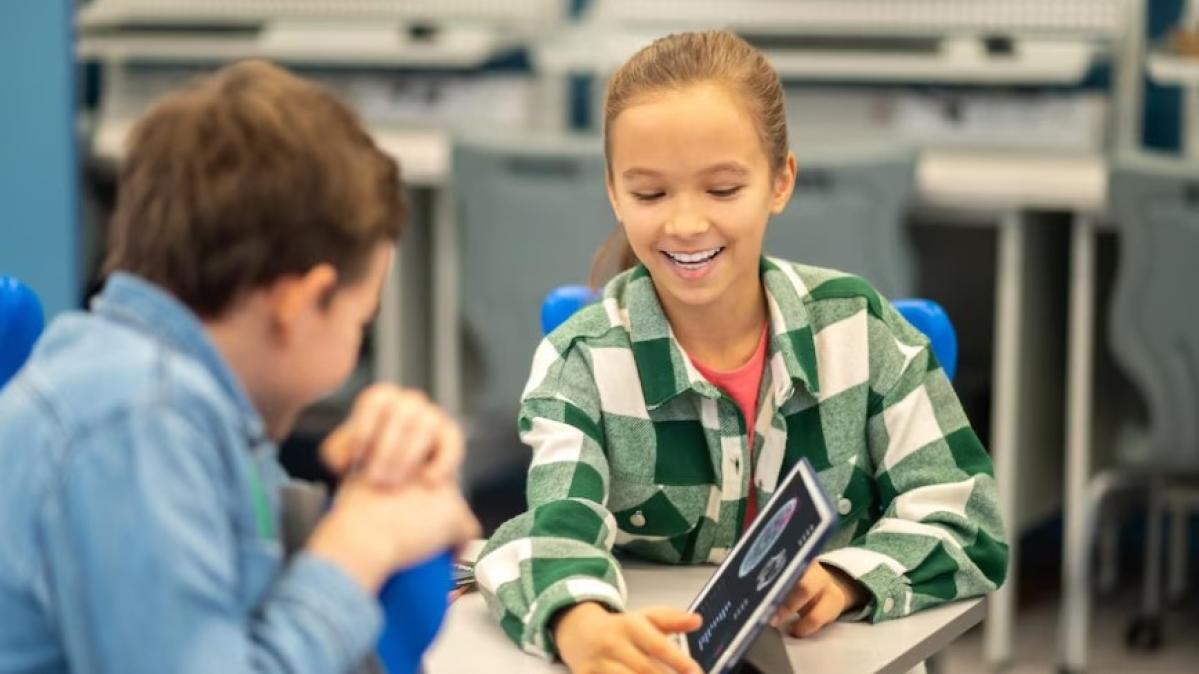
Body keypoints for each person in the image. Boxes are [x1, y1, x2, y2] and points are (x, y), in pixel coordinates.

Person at [476, 31, 1007, 674]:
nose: (686, 223)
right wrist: (577, 620)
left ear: (780, 182)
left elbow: (968, 520)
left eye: (722, 190)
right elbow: (550, 530)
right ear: (614, 193)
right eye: (649, 194)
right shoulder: (581, 362)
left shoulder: (860, 330)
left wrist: (845, 580)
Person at [0, 60, 479, 673]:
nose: (354, 347)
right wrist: (360, 543)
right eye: (361, 322)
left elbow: (240, 552)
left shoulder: (149, 383)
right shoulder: (138, 418)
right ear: (298, 304)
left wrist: (382, 481)